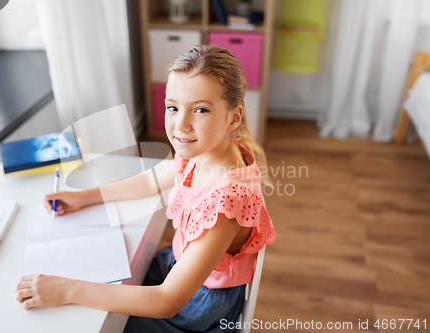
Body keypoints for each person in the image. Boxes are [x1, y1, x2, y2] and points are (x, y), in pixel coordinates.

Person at [14, 45, 276, 332]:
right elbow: (149, 181)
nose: (181, 125)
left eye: (200, 109)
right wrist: (84, 197)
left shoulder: (227, 202)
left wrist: (67, 291)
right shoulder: (204, 152)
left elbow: (166, 301)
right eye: (173, 107)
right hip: (177, 266)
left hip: (197, 304)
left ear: (234, 117)